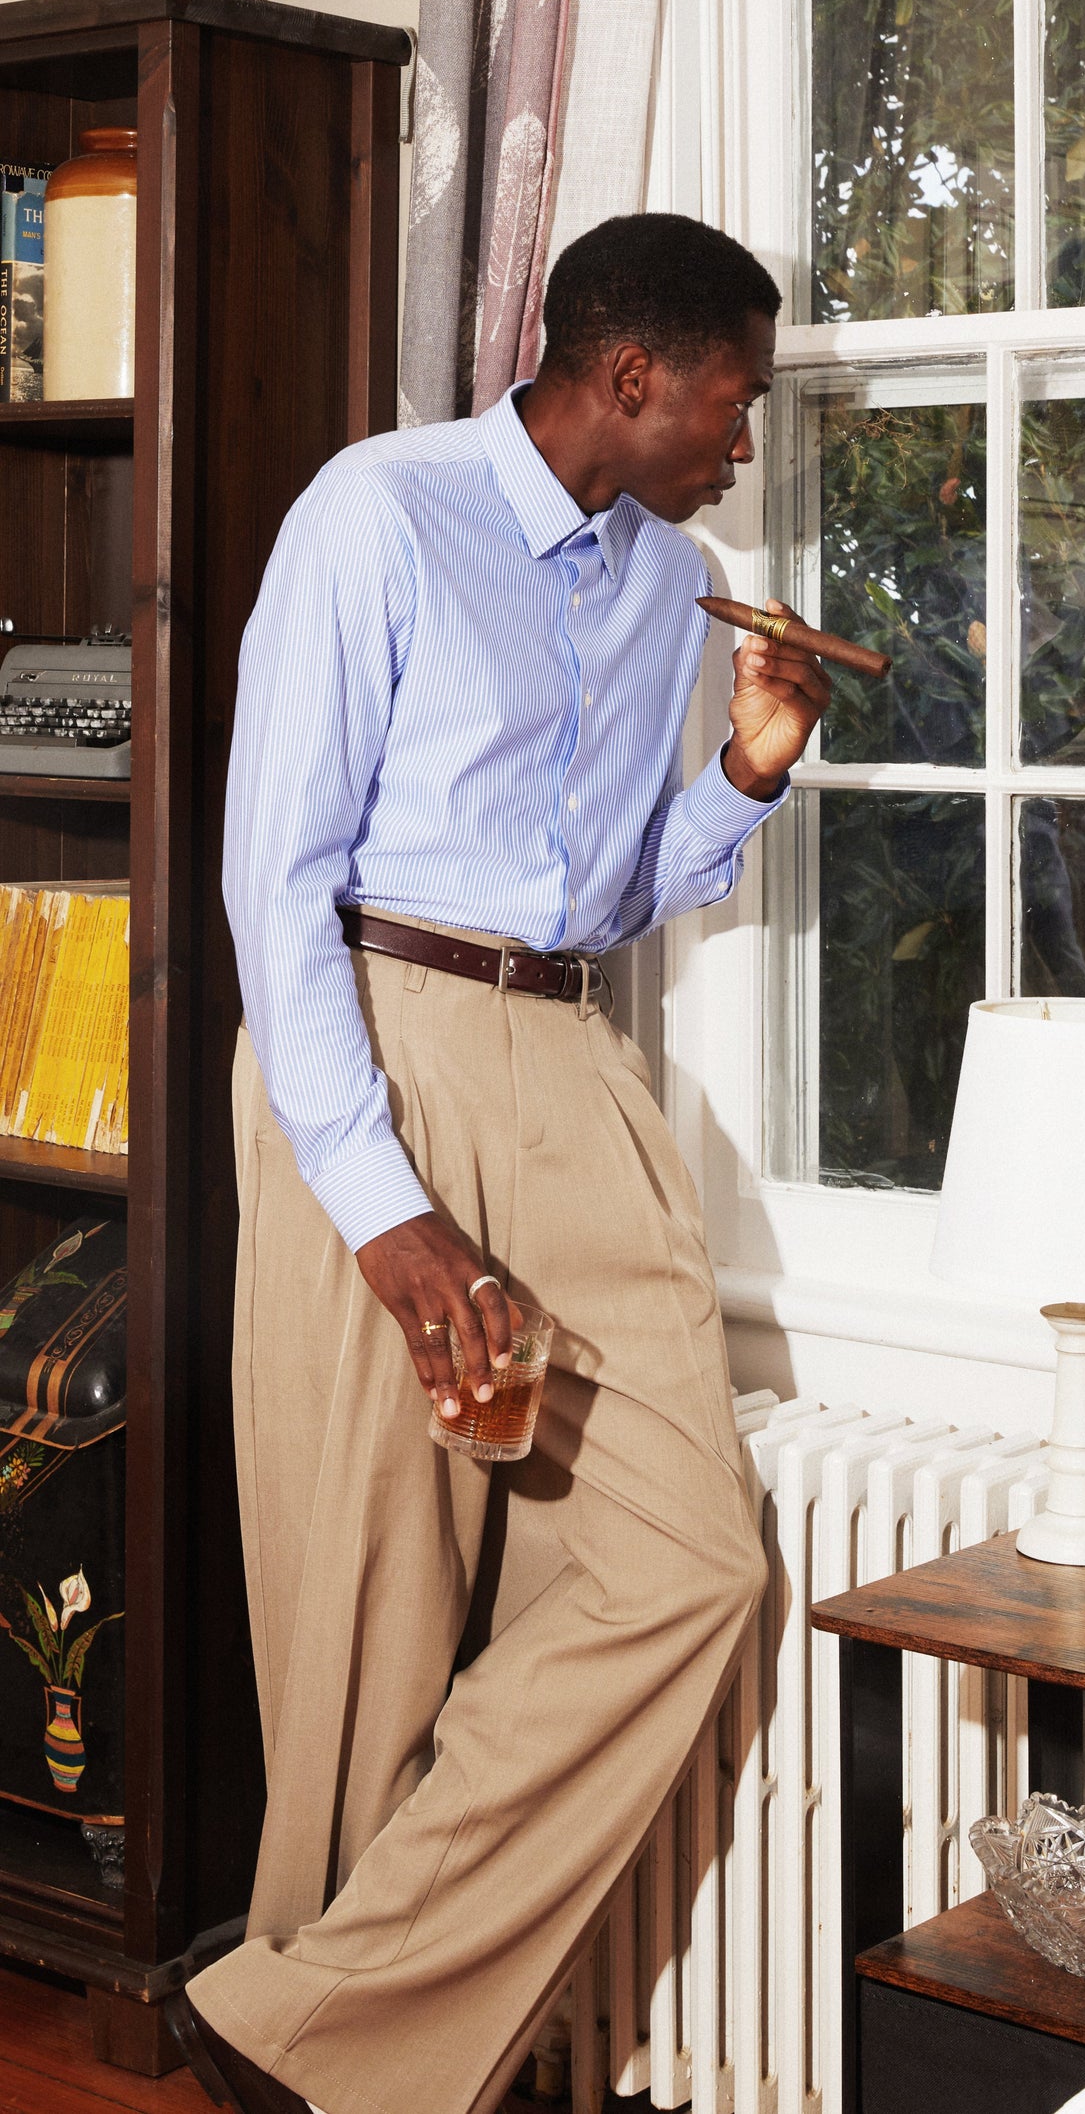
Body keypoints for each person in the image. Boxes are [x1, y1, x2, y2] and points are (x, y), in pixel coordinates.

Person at [172, 215, 829, 2114]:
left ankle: (299, 2028)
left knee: (686, 1561)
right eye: (732, 403)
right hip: (370, 1039)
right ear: (629, 376)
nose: (742, 444)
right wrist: (380, 1205)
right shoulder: (376, 516)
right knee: (369, 1604)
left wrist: (747, 770)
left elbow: (606, 891)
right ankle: (349, 2067)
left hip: (565, 1050)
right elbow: (276, 880)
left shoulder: (673, 582)